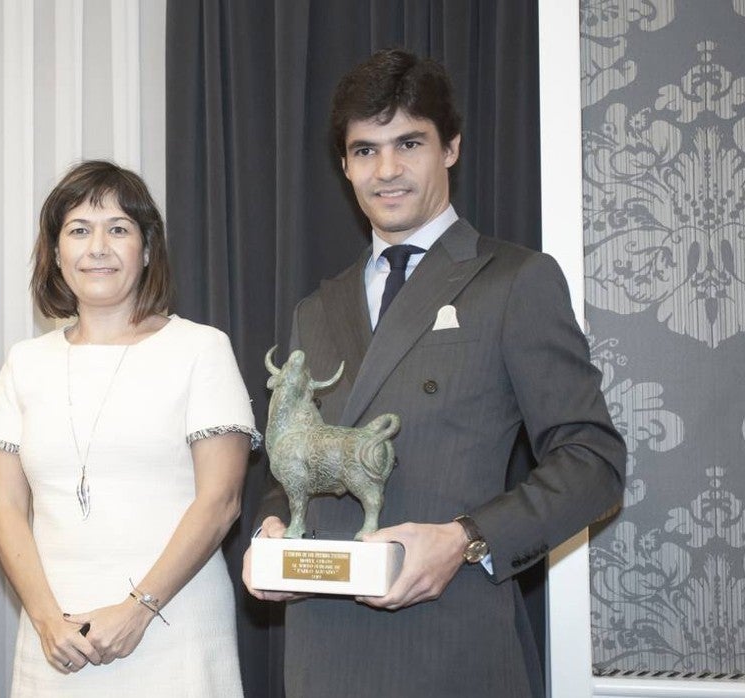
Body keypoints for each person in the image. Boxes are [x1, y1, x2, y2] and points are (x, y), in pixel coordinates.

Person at [242, 49, 626, 698]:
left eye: (409, 143)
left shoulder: (513, 282)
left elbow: (594, 463)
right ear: (343, 164)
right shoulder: (317, 308)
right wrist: (272, 529)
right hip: (321, 660)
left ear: (451, 147)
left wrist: (465, 539)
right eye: (365, 150)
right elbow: (293, 465)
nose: (386, 170)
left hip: (450, 652)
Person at [0, 161, 257, 697]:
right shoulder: (24, 362)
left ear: (147, 250)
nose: (98, 247)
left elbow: (221, 500)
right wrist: (44, 619)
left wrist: (139, 609)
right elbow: (5, 507)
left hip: (174, 629)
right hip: (56, 642)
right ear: (56, 253)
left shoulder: (201, 349)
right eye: (79, 230)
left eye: (119, 229)